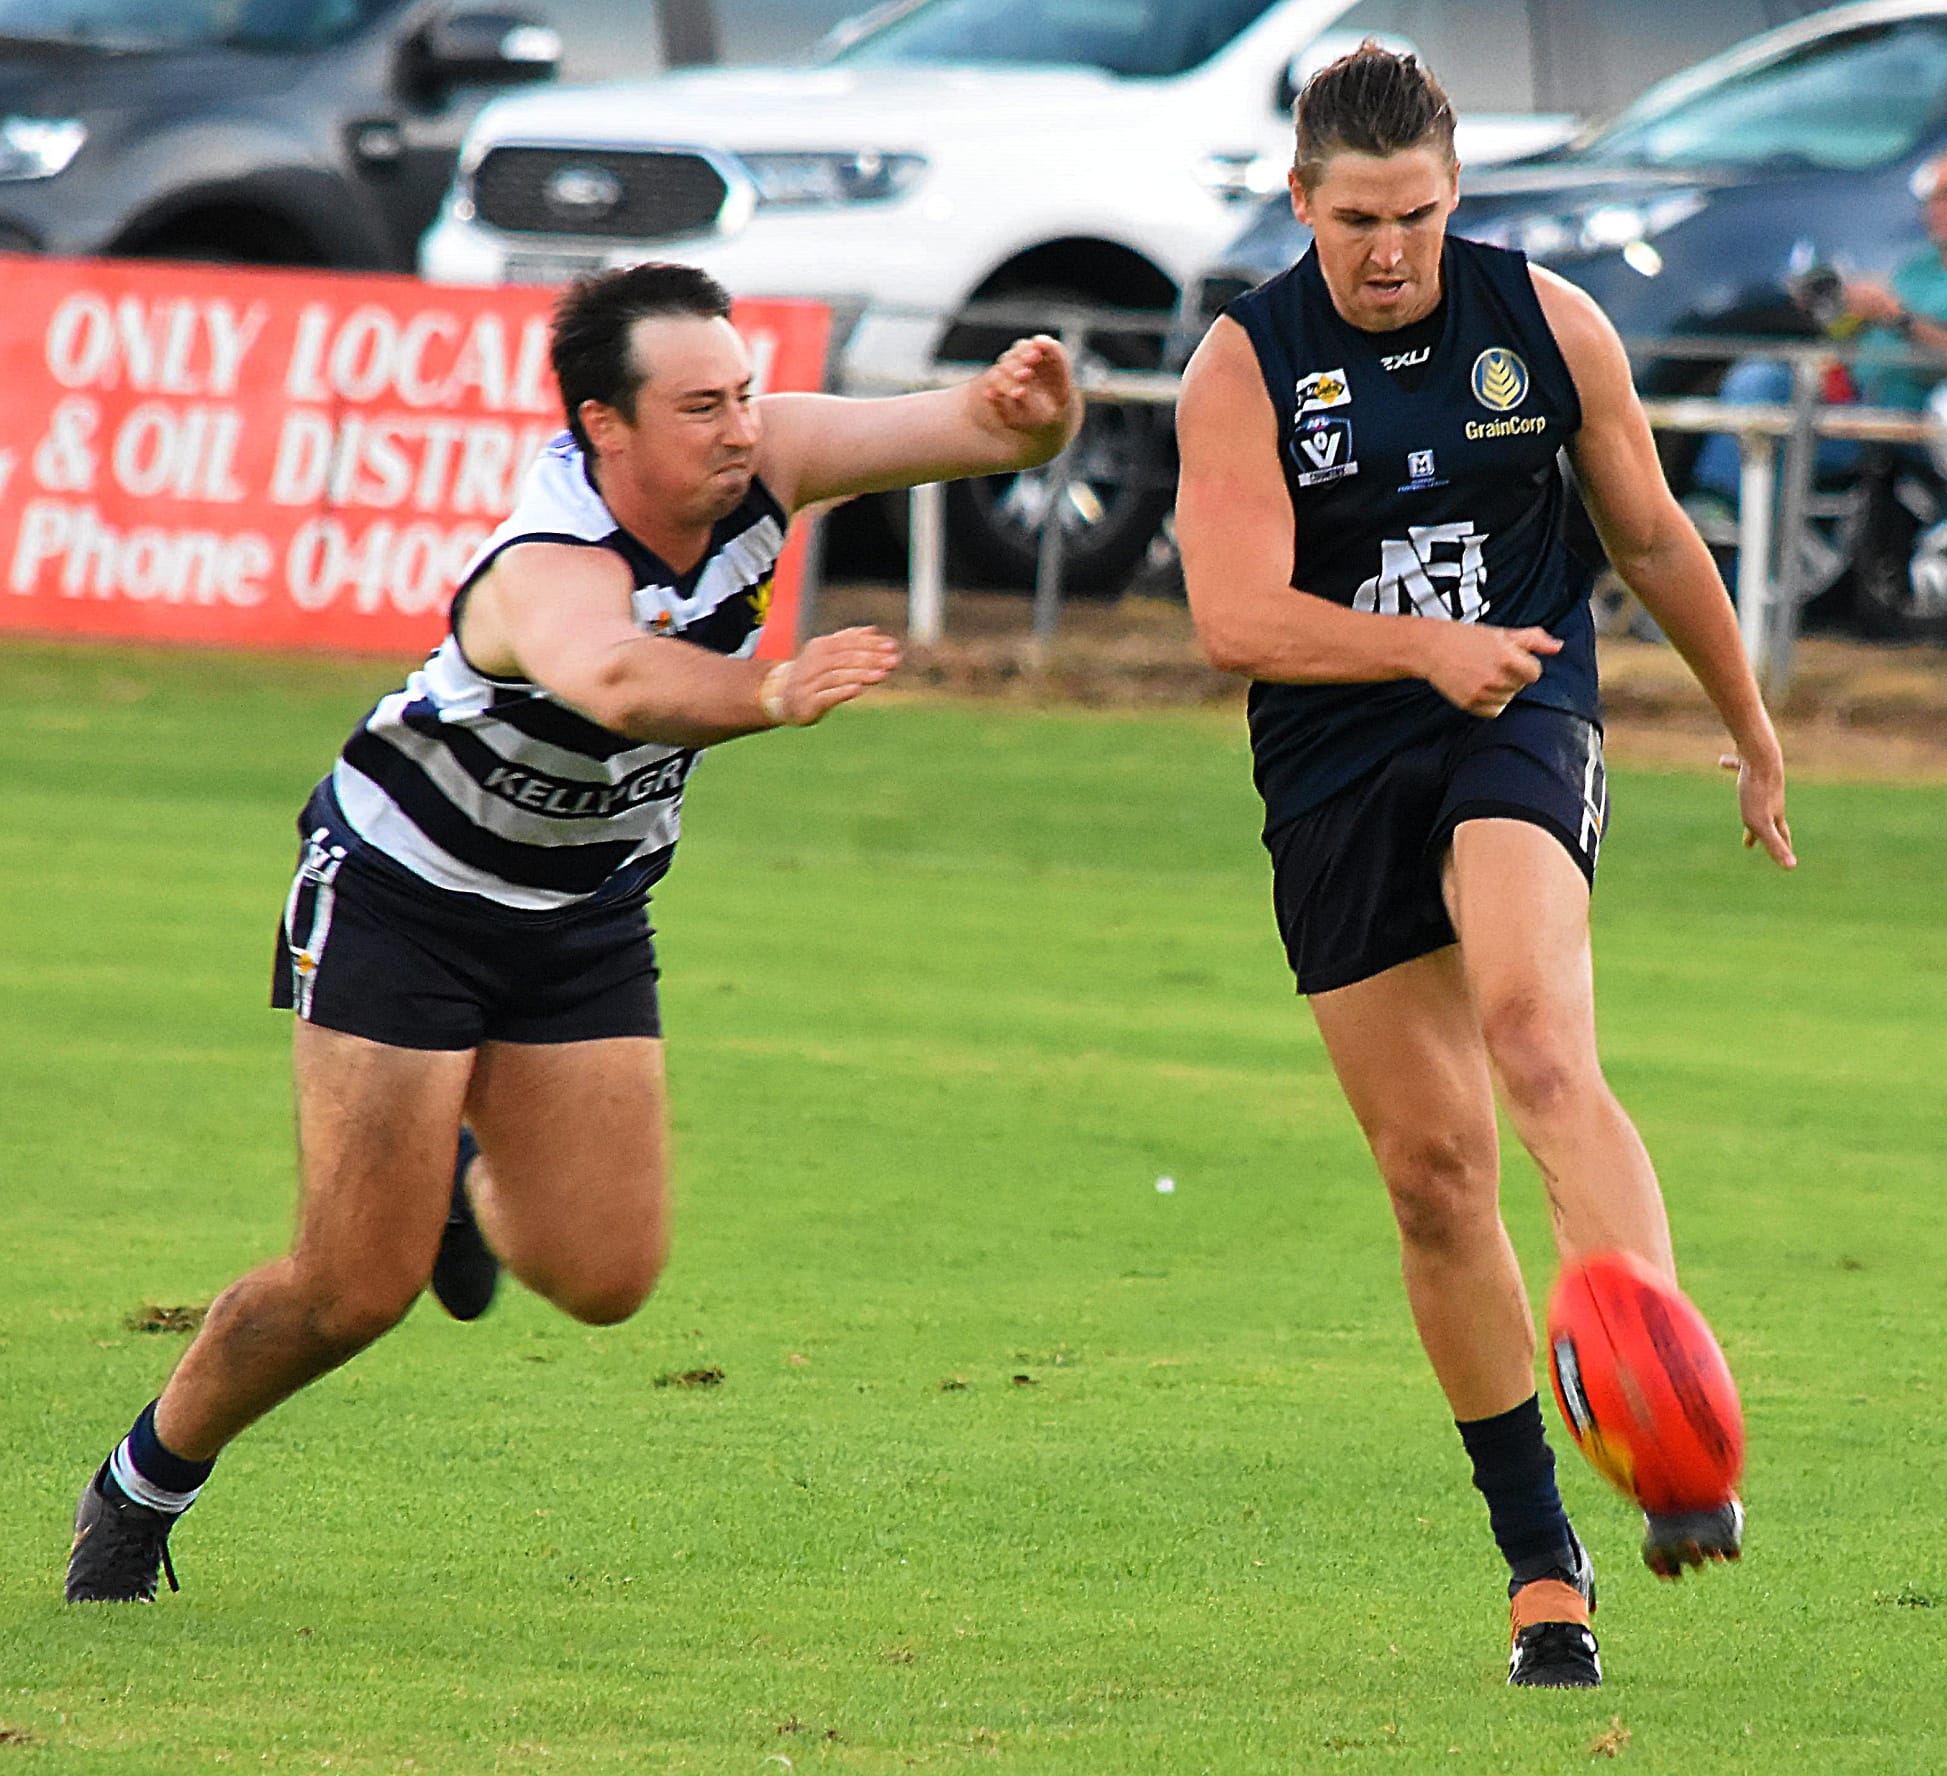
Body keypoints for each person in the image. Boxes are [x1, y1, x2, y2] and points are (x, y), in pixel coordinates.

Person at [65, 263, 1081, 1605]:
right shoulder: (547, 560)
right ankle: (142, 1488)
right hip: (403, 897)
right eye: (700, 406)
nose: (739, 427)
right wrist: (767, 690)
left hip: (582, 912)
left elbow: (984, 433)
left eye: (744, 394)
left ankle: (457, 1161)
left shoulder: (768, 456)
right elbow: (612, 675)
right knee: (351, 1288)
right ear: (605, 424)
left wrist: (1033, 414)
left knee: (604, 1277)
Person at [1174, 45, 1793, 1689]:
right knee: (1434, 1176)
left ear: (1456, 197)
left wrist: (1749, 728)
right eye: (1357, 220)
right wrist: (1416, 647)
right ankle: (1540, 1563)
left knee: (1536, 1038)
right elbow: (1232, 618)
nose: (1390, 252)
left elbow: (1650, 534)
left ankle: (1673, 1438)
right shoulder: (1244, 365)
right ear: (1301, 203)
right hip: (1334, 763)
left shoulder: (1548, 324)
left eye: (1419, 217)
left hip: (1520, 711)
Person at [1692, 150, 1947, 500]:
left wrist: (1898, 317)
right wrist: (1836, 308)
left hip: (1925, 420)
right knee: (1758, 377)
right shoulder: (1921, 265)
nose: (1936, 209)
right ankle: (1722, 505)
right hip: (1854, 396)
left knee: (1771, 410)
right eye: (1929, 199)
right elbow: (1865, 331)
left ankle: (1735, 508)